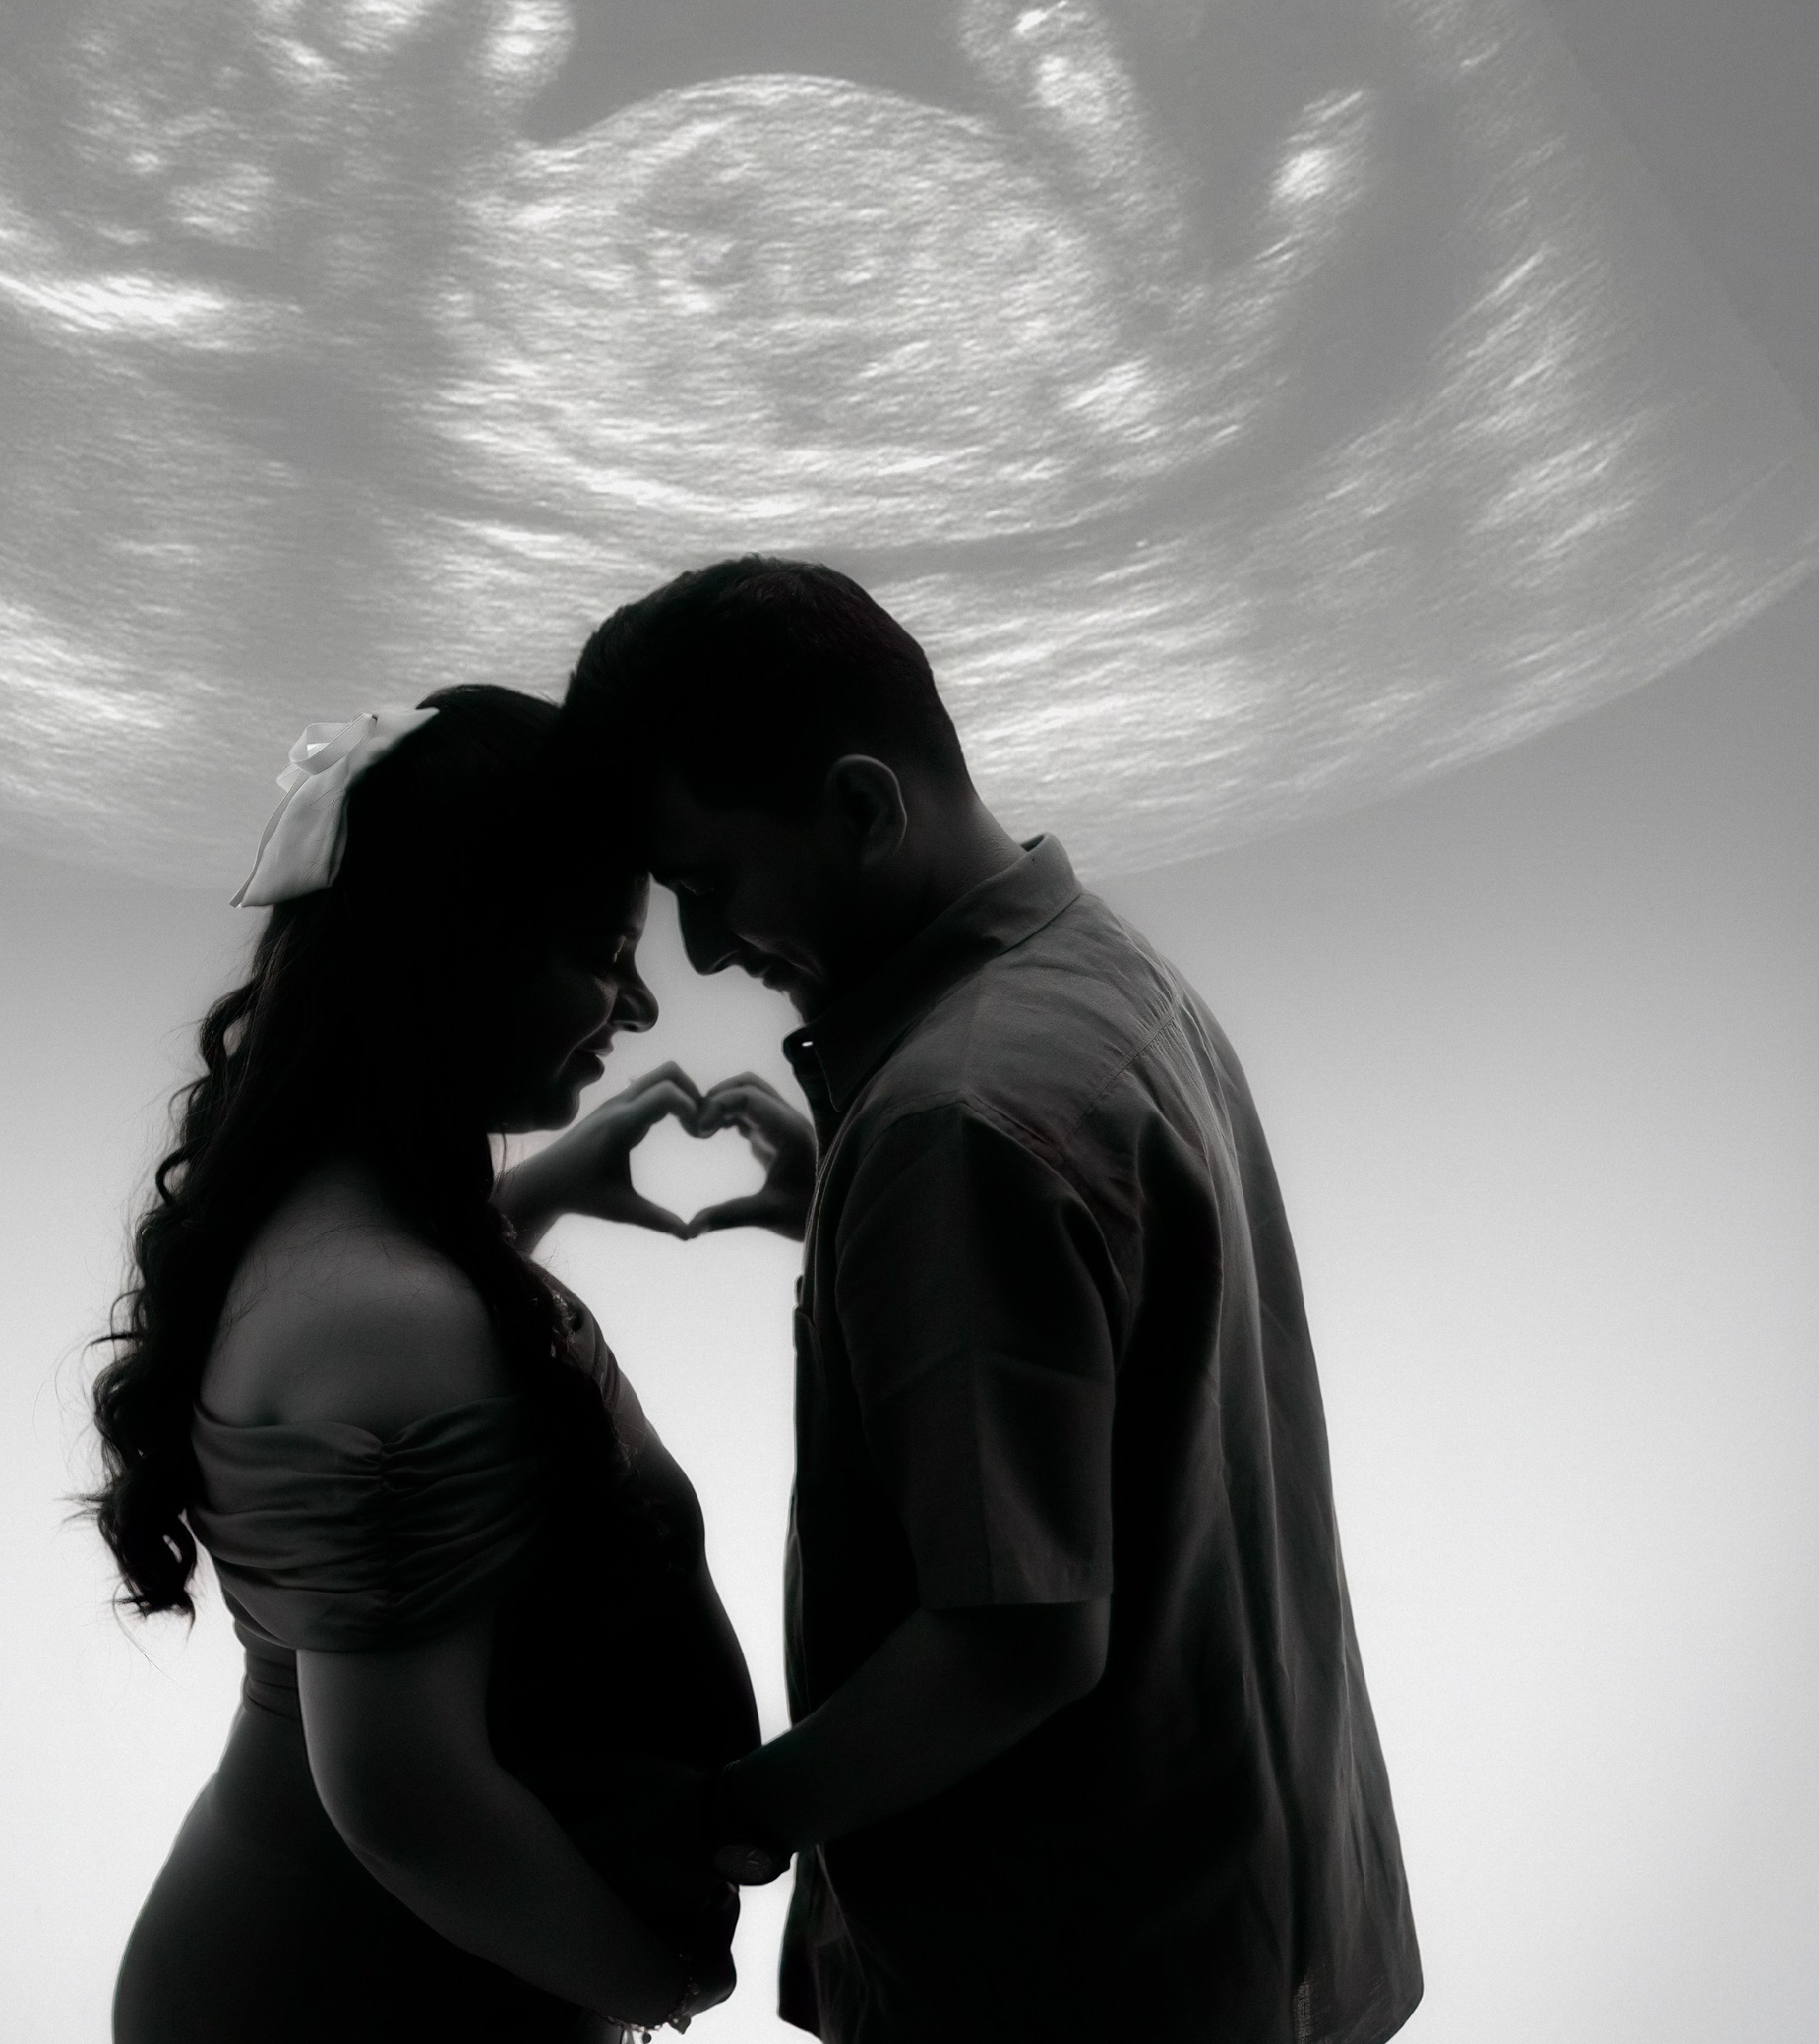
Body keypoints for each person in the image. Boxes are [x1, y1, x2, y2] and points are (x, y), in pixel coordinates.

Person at [560, 559, 1423, 2044]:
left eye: (707, 883)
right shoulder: (1101, 979)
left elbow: (1016, 1642)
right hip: (1229, 1929)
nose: (698, 952)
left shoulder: (956, 1127)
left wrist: (727, 1817)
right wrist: (864, 1233)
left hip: (1067, 1981)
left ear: (861, 807)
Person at [91, 685, 760, 2041]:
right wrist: (658, 1978)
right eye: (601, 951)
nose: (634, 1004)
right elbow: (408, 1805)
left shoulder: (341, 1226)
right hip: (361, 1994)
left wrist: (549, 1188)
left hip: (365, 1967)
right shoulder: (386, 1320)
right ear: (459, 952)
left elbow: (416, 1357)